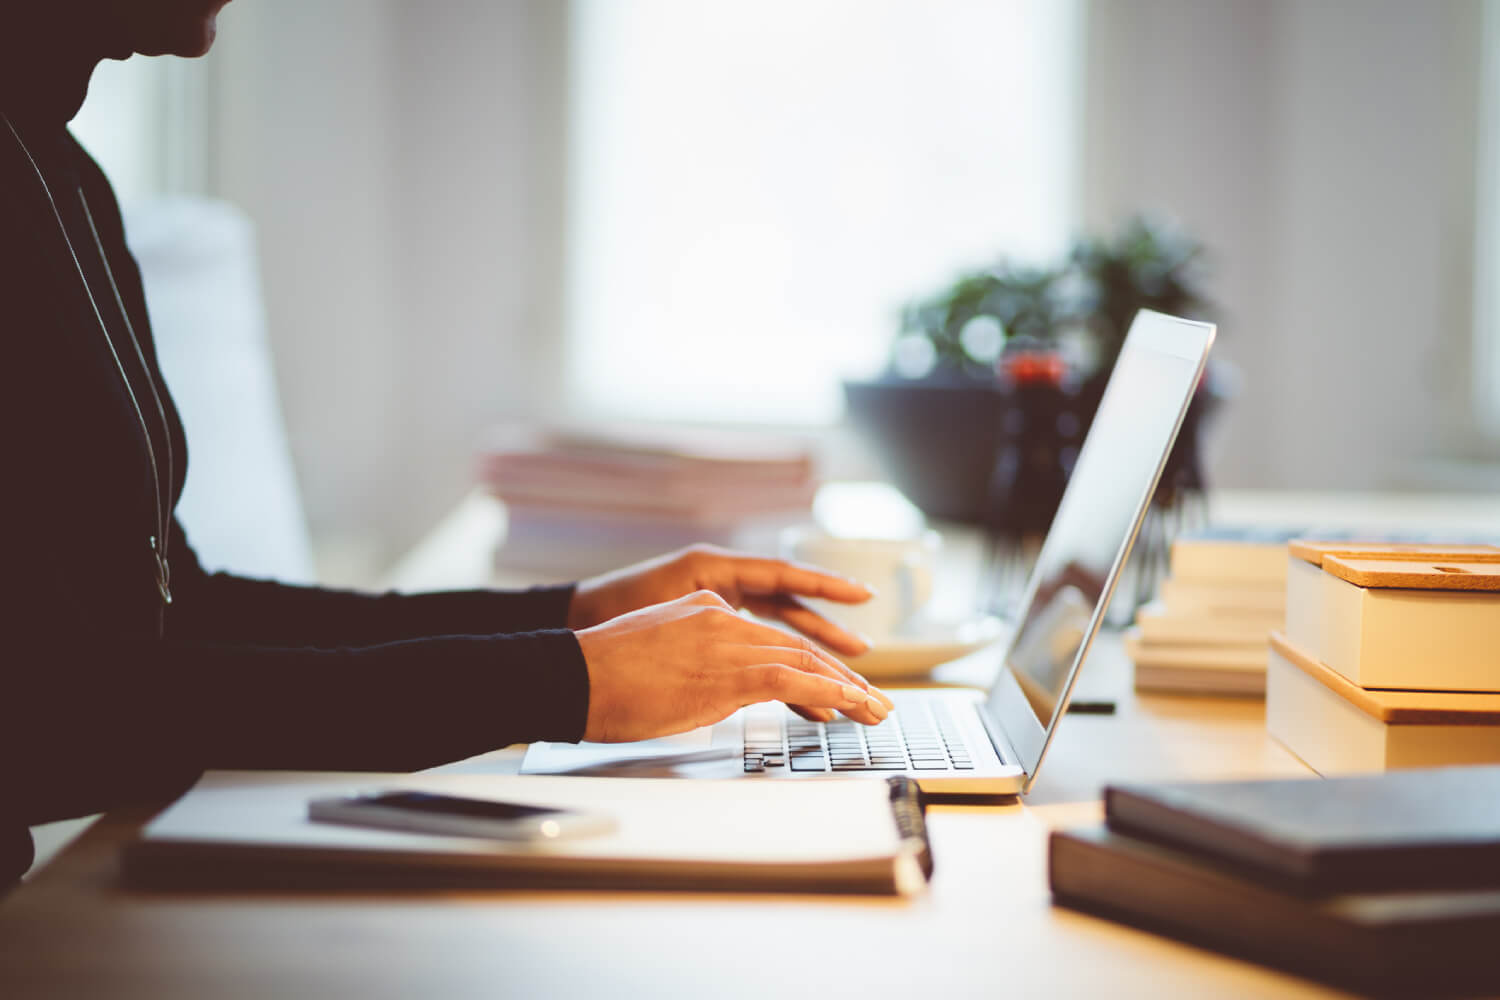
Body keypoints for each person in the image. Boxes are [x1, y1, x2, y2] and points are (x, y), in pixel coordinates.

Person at [0, 0, 892, 886]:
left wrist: (576, 615)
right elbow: (57, 709)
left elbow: (180, 611)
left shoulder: (64, 175)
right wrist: (563, 682)